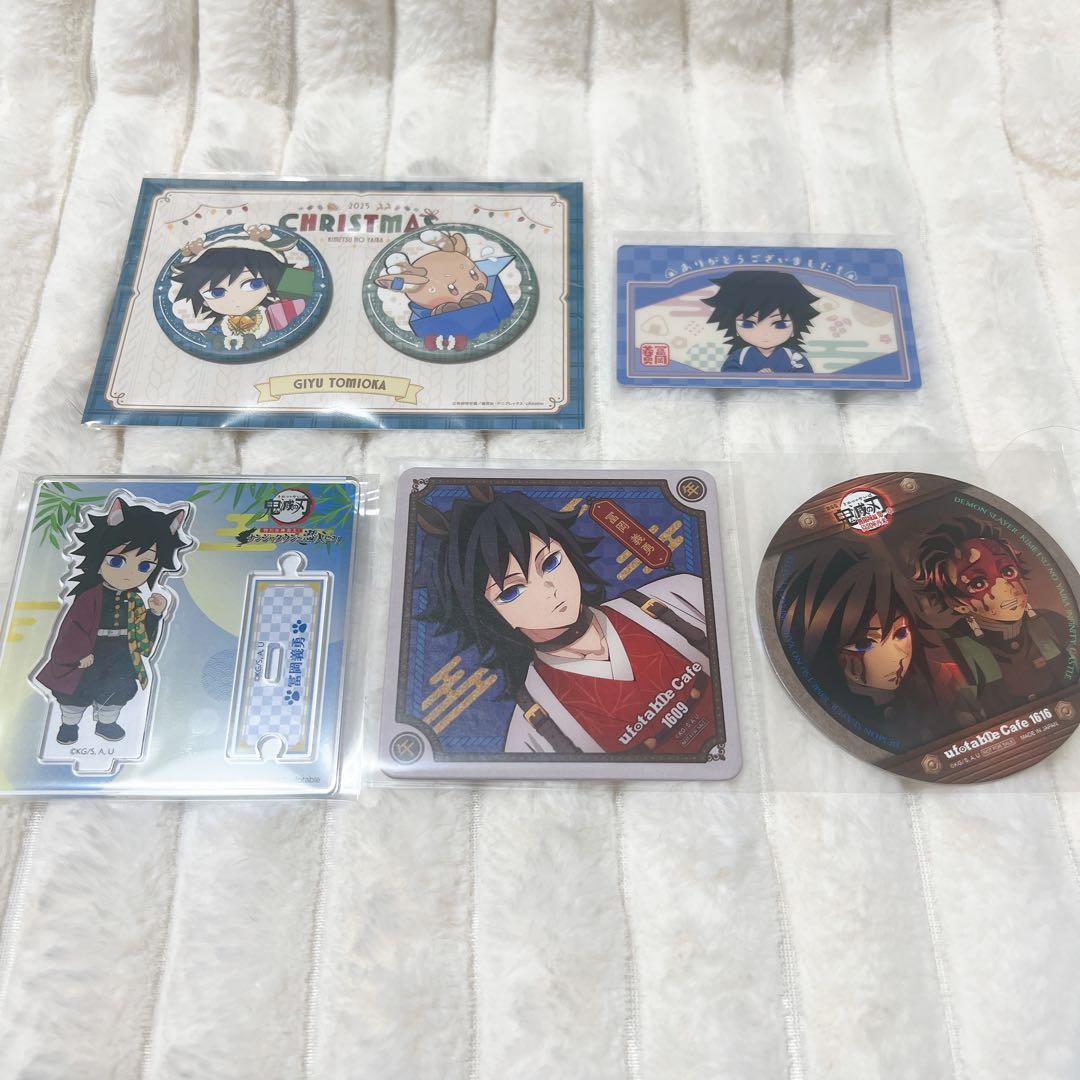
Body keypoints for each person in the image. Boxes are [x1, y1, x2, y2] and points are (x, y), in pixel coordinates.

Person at [418, 485, 719, 754]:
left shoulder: (676, 597)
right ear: (490, 617)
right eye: (511, 592)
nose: (548, 588)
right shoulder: (531, 733)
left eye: (550, 562)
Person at [34, 496, 192, 744]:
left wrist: (155, 614)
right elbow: (72, 628)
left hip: (121, 653)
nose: (129, 574)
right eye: (117, 561)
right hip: (91, 652)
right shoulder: (88, 597)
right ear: (99, 559)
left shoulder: (137, 600)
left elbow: (143, 640)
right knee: (77, 691)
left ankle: (106, 723)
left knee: (117, 689)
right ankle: (69, 724)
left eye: (144, 567)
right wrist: (78, 655)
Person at [701, 269, 819, 374]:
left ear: (794, 328)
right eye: (748, 324)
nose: (764, 333)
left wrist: (778, 378)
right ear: (735, 327)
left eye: (780, 324)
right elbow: (729, 376)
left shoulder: (793, 357)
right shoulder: (740, 356)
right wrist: (754, 378)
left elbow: (805, 378)